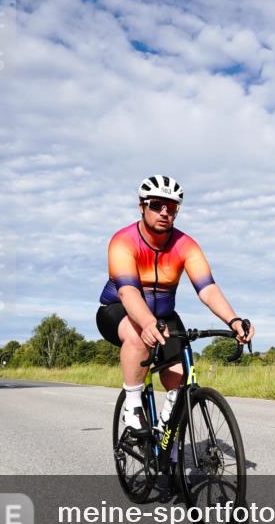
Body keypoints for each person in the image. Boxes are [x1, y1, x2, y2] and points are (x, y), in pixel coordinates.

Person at [96, 175, 254, 435]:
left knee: (180, 374)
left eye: (172, 208)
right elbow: (127, 291)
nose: (164, 212)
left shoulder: (185, 245)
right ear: (141, 206)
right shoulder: (123, 240)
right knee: (138, 337)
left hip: (164, 314)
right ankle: (133, 407)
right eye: (157, 205)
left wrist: (234, 320)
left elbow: (207, 288)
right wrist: (146, 323)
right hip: (118, 310)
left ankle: (168, 429)